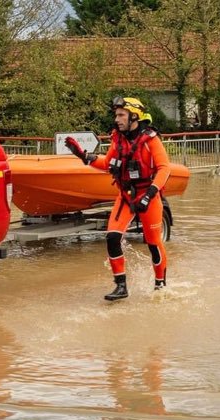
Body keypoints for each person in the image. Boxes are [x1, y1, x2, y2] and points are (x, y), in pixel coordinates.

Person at [65, 97, 172, 301]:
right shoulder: (118, 138)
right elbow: (107, 162)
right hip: (125, 195)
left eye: (121, 115)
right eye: (116, 115)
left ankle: (160, 285)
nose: (117, 119)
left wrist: (149, 195)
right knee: (112, 237)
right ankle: (121, 286)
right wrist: (83, 155)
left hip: (147, 195)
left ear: (134, 116)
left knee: (153, 243)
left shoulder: (151, 140)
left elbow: (164, 168)